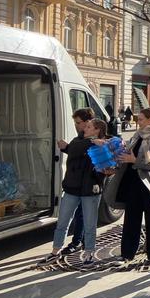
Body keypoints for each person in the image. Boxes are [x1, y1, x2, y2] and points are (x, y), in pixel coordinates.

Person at [38, 118, 108, 266]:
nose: (84, 129)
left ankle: (89, 254)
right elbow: (74, 148)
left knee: (90, 224)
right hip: (72, 189)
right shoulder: (79, 141)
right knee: (62, 222)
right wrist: (92, 142)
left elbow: (109, 166)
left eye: (89, 127)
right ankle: (54, 252)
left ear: (97, 130)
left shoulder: (104, 144)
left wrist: (106, 170)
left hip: (91, 191)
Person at [104, 108, 150, 265]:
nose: (137, 122)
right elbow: (126, 155)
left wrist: (134, 161)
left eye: (140, 119)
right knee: (131, 220)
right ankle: (126, 254)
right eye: (137, 119)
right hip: (133, 183)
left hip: (149, 185)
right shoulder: (137, 135)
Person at [59, 107, 95, 256]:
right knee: (81, 214)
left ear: (87, 122)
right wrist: (67, 148)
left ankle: (80, 243)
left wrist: (68, 148)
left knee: (83, 215)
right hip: (77, 184)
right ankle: (80, 242)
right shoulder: (80, 137)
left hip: (87, 184)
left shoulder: (93, 138)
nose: (76, 125)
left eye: (78, 122)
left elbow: (86, 156)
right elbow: (78, 153)